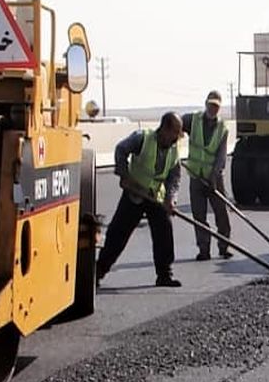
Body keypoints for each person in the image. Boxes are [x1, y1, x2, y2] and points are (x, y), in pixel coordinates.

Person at [96, 113, 184, 288]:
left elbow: (174, 176)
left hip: (155, 196)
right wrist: (124, 174)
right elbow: (121, 149)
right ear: (164, 129)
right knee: (117, 235)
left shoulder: (174, 149)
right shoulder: (142, 138)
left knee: (164, 234)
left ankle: (164, 275)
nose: (176, 138)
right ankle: (97, 273)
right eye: (174, 133)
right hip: (134, 194)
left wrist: (171, 199)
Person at [182, 91, 232, 261]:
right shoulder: (192, 120)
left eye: (216, 106)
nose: (213, 109)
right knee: (199, 215)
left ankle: (224, 247)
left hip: (214, 178)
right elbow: (174, 123)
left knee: (222, 213)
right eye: (211, 105)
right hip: (196, 177)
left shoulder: (222, 128)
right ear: (205, 104)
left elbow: (221, 156)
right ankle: (204, 249)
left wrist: (214, 176)